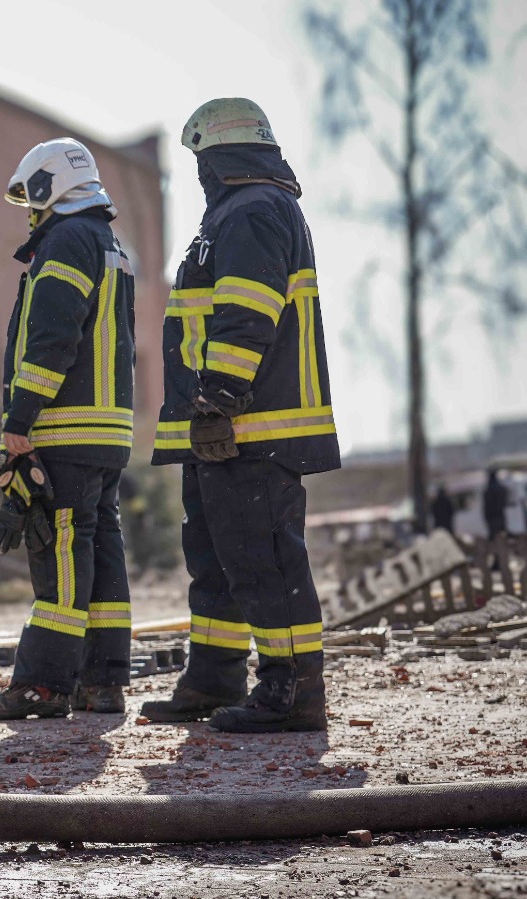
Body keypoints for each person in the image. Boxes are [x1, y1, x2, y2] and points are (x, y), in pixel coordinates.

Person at [142, 99, 340, 734]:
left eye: (200, 159)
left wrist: (220, 397)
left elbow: (247, 309)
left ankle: (292, 690)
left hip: (249, 427)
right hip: (224, 431)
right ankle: (214, 677)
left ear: (218, 158)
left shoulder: (253, 210)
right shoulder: (242, 210)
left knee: (264, 560)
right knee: (218, 558)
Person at [0, 138, 137, 721]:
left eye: (30, 200)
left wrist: (20, 418)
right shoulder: (110, 243)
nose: (30, 214)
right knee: (101, 552)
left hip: (65, 429)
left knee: (60, 550)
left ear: (48, 189)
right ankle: (103, 683)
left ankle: (43, 686)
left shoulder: (66, 240)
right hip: (109, 432)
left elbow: (53, 337)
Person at [483, 469, 508, 539]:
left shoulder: (488, 489)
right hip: (499, 514)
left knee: (495, 536)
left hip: (492, 516)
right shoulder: (500, 488)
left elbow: (487, 505)